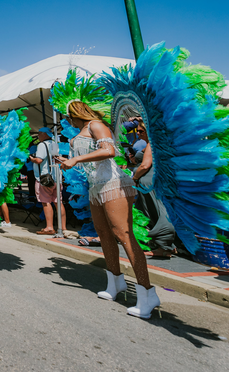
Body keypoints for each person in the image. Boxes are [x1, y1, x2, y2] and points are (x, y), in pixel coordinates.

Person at [58, 100, 157, 319]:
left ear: (74, 113)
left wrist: (76, 158)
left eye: (67, 116)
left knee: (124, 235)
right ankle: (115, 283)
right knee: (103, 234)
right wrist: (68, 161)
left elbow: (109, 151)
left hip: (113, 184)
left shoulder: (95, 125)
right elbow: (89, 159)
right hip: (95, 186)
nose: (67, 120)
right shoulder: (82, 130)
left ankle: (147, 293)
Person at [131, 120, 176, 259]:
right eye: (137, 131)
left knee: (159, 213)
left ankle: (164, 247)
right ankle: (165, 245)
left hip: (149, 184)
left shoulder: (153, 143)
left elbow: (145, 165)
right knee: (151, 213)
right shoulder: (152, 144)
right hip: (149, 184)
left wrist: (134, 178)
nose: (138, 133)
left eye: (141, 131)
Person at [28, 128, 66, 235]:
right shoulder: (55, 144)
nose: (38, 136)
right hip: (57, 177)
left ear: (44, 134)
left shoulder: (41, 145)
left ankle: (49, 227)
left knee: (46, 202)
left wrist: (32, 158)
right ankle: (63, 228)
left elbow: (39, 160)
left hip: (45, 178)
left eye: (39, 133)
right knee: (58, 202)